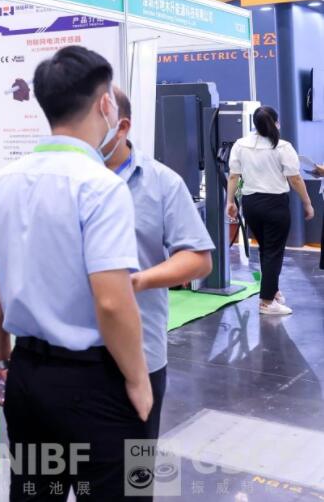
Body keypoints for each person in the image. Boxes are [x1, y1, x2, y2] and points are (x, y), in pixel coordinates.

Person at [0, 46, 150, 502]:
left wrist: (0, 364)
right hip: (96, 382)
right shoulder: (102, 187)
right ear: (105, 104)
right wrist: (138, 380)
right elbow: (111, 301)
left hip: (28, 376)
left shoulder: (2, 183)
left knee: (35, 492)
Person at [102, 87, 214, 437]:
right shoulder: (58, 182)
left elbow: (198, 258)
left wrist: (140, 281)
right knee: (58, 463)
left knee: (133, 465)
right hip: (65, 358)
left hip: (140, 354)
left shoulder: (161, 182)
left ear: (122, 127)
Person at [227, 105, 314, 315]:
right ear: (276, 123)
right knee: (273, 252)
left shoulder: (240, 144)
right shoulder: (283, 147)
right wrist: (307, 203)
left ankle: (272, 290)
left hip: (251, 204)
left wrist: (230, 201)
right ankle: (266, 302)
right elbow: (295, 179)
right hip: (275, 205)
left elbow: (233, 176)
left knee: (266, 249)